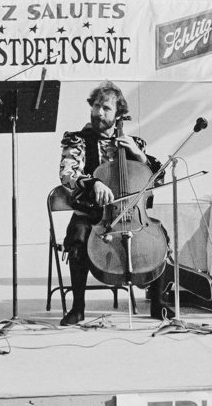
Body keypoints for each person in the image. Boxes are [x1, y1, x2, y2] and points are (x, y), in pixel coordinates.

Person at [58, 81, 165, 326]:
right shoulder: (77, 140)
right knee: (77, 237)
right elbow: (67, 174)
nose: (98, 112)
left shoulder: (134, 143)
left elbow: (158, 179)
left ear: (118, 114)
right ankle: (78, 307)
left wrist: (139, 156)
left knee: (162, 237)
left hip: (132, 215)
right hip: (91, 214)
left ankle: (158, 303)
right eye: (96, 106)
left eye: (106, 108)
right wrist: (93, 182)